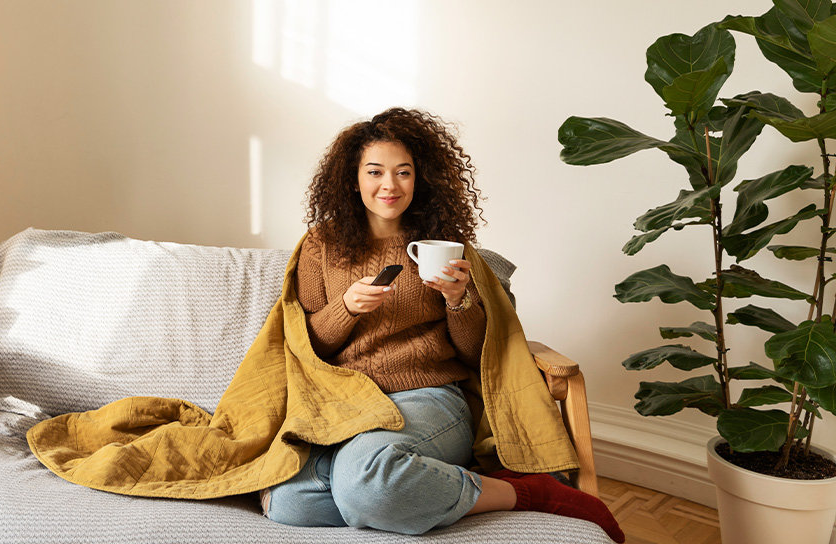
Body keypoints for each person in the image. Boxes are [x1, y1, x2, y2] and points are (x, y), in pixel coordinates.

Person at [260, 108, 624, 543]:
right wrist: (346, 308)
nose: (389, 185)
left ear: (421, 178)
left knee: (365, 485)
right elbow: (306, 345)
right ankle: (406, 482)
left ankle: (524, 493)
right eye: (375, 172)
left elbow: (478, 356)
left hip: (428, 397)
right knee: (289, 504)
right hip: (344, 400)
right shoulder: (321, 245)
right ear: (353, 178)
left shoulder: (444, 244)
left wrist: (458, 300)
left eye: (403, 172)